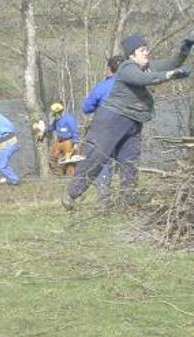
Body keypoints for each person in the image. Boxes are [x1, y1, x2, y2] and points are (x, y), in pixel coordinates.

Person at [62, 33, 193, 210]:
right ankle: (71, 194)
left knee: (129, 161)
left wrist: (184, 50)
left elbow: (171, 64)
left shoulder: (147, 67)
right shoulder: (127, 68)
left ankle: (128, 202)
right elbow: (144, 80)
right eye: (142, 50)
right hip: (112, 120)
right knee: (97, 158)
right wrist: (170, 75)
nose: (146, 52)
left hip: (133, 122)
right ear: (132, 54)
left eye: (147, 49)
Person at [80, 54, 126, 202]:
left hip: (106, 129)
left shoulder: (102, 86)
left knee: (104, 160)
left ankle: (104, 198)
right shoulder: (132, 85)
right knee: (128, 161)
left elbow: (86, 108)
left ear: (109, 70)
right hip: (128, 128)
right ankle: (128, 196)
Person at [47, 102, 80, 175]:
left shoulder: (69, 119)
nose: (54, 115)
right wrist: (44, 130)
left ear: (59, 112)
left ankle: (70, 177)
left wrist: (75, 142)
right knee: (53, 158)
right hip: (59, 141)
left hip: (68, 141)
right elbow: (52, 128)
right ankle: (58, 174)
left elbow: (74, 131)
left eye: (55, 113)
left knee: (69, 161)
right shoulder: (57, 120)